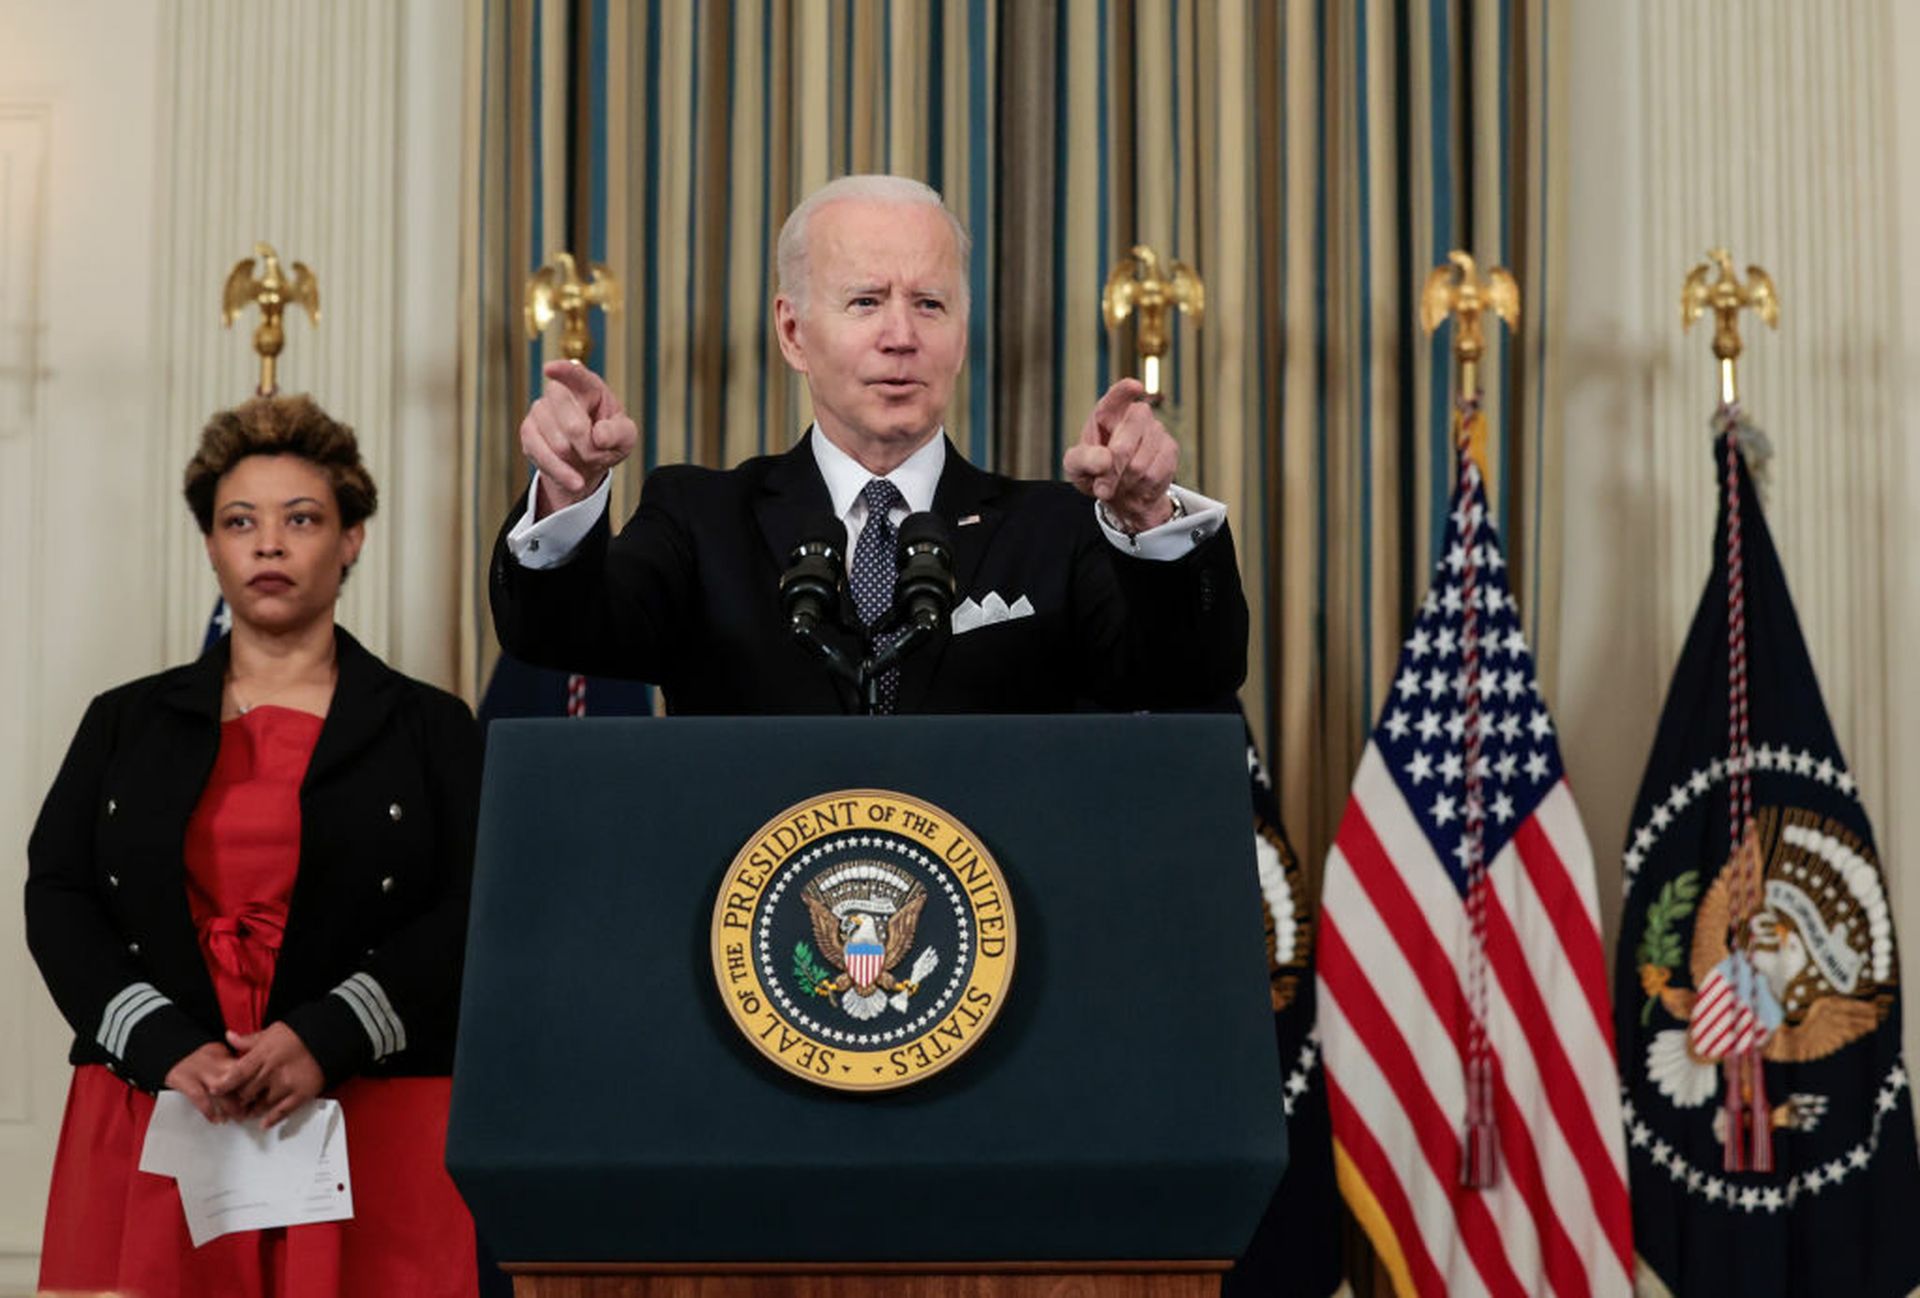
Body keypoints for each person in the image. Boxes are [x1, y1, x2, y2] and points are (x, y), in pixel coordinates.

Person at [26, 396, 481, 1297]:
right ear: (211, 545)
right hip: (159, 1096)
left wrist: (330, 1033)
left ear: (351, 539)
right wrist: (158, 1041)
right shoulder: (124, 722)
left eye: (301, 519)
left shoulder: (429, 725)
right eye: (241, 522)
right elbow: (58, 894)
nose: (269, 545)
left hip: (370, 1102)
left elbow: (478, 906)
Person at [491, 173, 1248, 713]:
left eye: (929, 303)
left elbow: (1188, 678)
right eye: (865, 302)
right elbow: (562, 637)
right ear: (793, 332)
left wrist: (1148, 519)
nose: (900, 337)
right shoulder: (700, 519)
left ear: (961, 332)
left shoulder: (1054, 530)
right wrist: (567, 494)